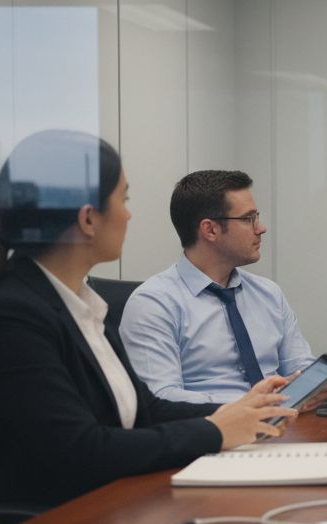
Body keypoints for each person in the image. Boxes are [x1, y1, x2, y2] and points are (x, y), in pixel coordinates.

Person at [0, 131, 295, 509]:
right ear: (89, 218)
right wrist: (213, 431)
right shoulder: (11, 317)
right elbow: (82, 448)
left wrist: (238, 412)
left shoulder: (82, 303)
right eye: (123, 199)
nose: (128, 213)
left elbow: (146, 410)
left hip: (104, 508)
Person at [121, 170, 314, 403]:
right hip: (212, 431)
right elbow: (160, 396)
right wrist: (248, 405)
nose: (261, 228)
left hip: (281, 424)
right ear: (210, 230)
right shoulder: (153, 303)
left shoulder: (268, 293)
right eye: (248, 219)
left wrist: (316, 384)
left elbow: (300, 366)